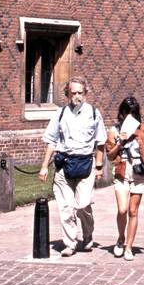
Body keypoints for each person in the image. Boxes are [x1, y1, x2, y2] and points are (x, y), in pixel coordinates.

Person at [37, 78, 107, 258]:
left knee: (83, 205)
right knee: (65, 207)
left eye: (80, 93)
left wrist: (99, 166)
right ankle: (70, 243)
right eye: (73, 93)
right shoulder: (60, 114)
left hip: (86, 164)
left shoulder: (93, 113)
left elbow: (100, 142)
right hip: (64, 165)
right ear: (67, 94)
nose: (77, 96)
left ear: (85, 93)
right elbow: (51, 141)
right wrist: (44, 166)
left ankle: (88, 234)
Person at [105, 96, 144, 261]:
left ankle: (129, 247)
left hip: (138, 171)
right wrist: (119, 142)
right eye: (126, 113)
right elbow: (110, 155)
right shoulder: (114, 131)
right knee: (122, 209)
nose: (129, 116)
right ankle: (121, 238)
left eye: (133, 113)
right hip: (122, 170)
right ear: (121, 113)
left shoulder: (143, 130)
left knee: (133, 211)